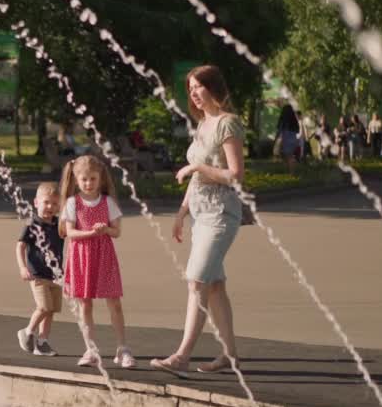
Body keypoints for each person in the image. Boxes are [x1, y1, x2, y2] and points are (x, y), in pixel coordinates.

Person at [151, 64, 245, 378]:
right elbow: (195, 178)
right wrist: (181, 213)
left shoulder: (228, 124)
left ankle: (182, 356)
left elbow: (235, 175)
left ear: (213, 87)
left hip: (222, 213)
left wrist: (197, 170)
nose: (193, 93)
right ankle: (230, 356)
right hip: (201, 215)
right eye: (190, 89)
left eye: (198, 86)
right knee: (215, 286)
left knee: (198, 281)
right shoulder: (203, 124)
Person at [58, 154, 133, 368]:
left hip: (104, 256)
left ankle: (122, 348)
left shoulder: (108, 202)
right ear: (76, 180)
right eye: (84, 179)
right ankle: (90, 349)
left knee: (114, 303)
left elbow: (116, 232)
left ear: (100, 178)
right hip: (81, 258)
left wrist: (105, 229)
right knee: (84, 305)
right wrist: (91, 232)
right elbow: (70, 232)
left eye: (92, 178)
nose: (89, 183)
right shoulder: (73, 203)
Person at [17, 182, 65, 356]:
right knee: (44, 307)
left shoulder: (59, 225)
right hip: (37, 274)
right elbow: (20, 247)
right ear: (36, 202)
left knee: (51, 310)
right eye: (46, 202)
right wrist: (23, 267)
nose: (50, 207)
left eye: (54, 203)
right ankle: (27, 331)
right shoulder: (32, 225)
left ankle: (42, 341)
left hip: (56, 275)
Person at [273, 103, 301, 173]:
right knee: (289, 156)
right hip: (294, 140)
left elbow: (279, 131)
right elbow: (297, 131)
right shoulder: (294, 120)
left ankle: (291, 172)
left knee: (287, 157)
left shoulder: (283, 120)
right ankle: (290, 171)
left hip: (285, 140)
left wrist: (276, 139)